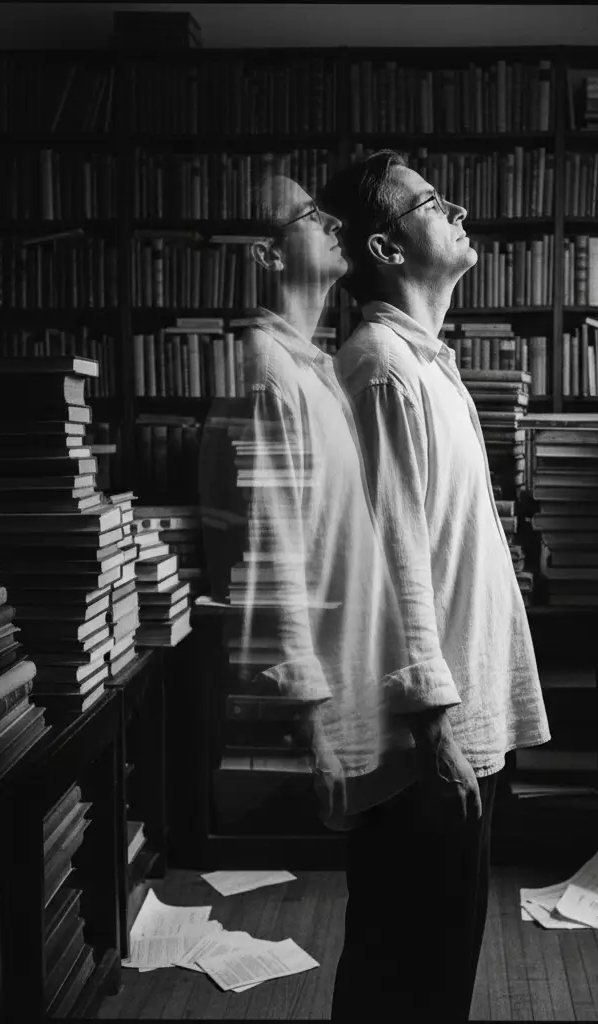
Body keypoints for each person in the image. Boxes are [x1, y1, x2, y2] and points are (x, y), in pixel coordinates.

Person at [320, 150, 551, 1020]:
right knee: (406, 976)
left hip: (455, 722)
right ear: (385, 247)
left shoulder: (426, 367)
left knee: (435, 968)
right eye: (430, 202)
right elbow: (389, 567)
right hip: (424, 740)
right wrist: (432, 731)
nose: (456, 211)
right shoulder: (381, 367)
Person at [197, 173, 416, 831]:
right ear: (267, 255)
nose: (333, 223)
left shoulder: (307, 370)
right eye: (311, 215)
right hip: (317, 724)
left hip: (353, 698)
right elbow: (267, 559)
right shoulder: (268, 374)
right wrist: (311, 731)